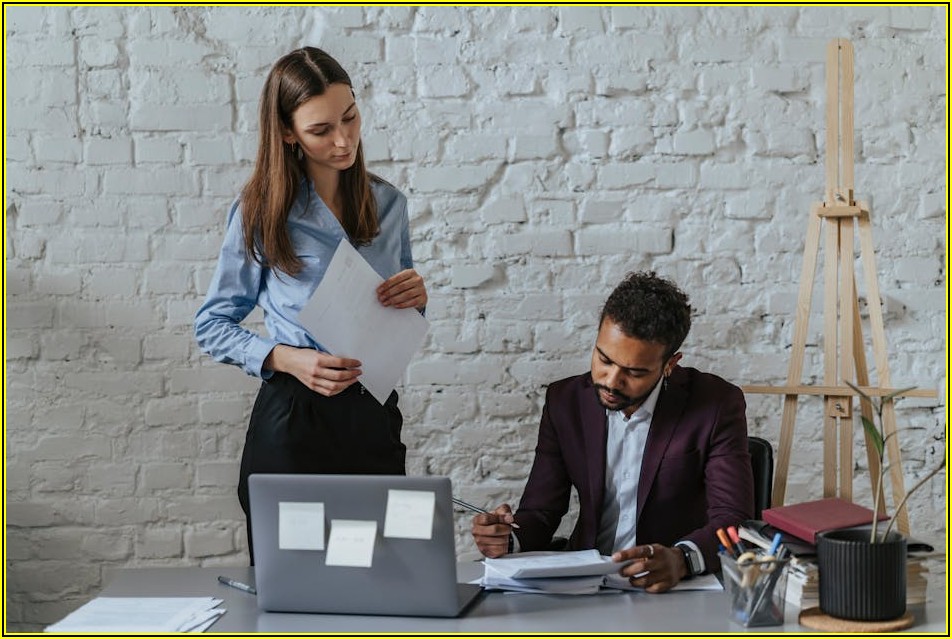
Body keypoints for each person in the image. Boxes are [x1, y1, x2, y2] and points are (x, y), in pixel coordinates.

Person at [194, 47, 427, 562]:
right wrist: (286, 358)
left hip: (371, 415)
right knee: (291, 584)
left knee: (383, 579)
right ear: (287, 133)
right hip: (293, 420)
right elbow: (212, 324)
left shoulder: (389, 204)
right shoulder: (260, 211)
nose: (344, 140)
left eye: (350, 118)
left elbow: (399, 316)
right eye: (321, 130)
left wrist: (416, 300)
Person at [471, 271, 753, 592]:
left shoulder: (716, 404)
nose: (611, 381)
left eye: (634, 372)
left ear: (669, 365)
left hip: (669, 588)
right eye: (604, 359)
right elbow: (541, 511)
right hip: (584, 585)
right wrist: (507, 538)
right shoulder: (565, 402)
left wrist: (682, 559)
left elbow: (733, 518)